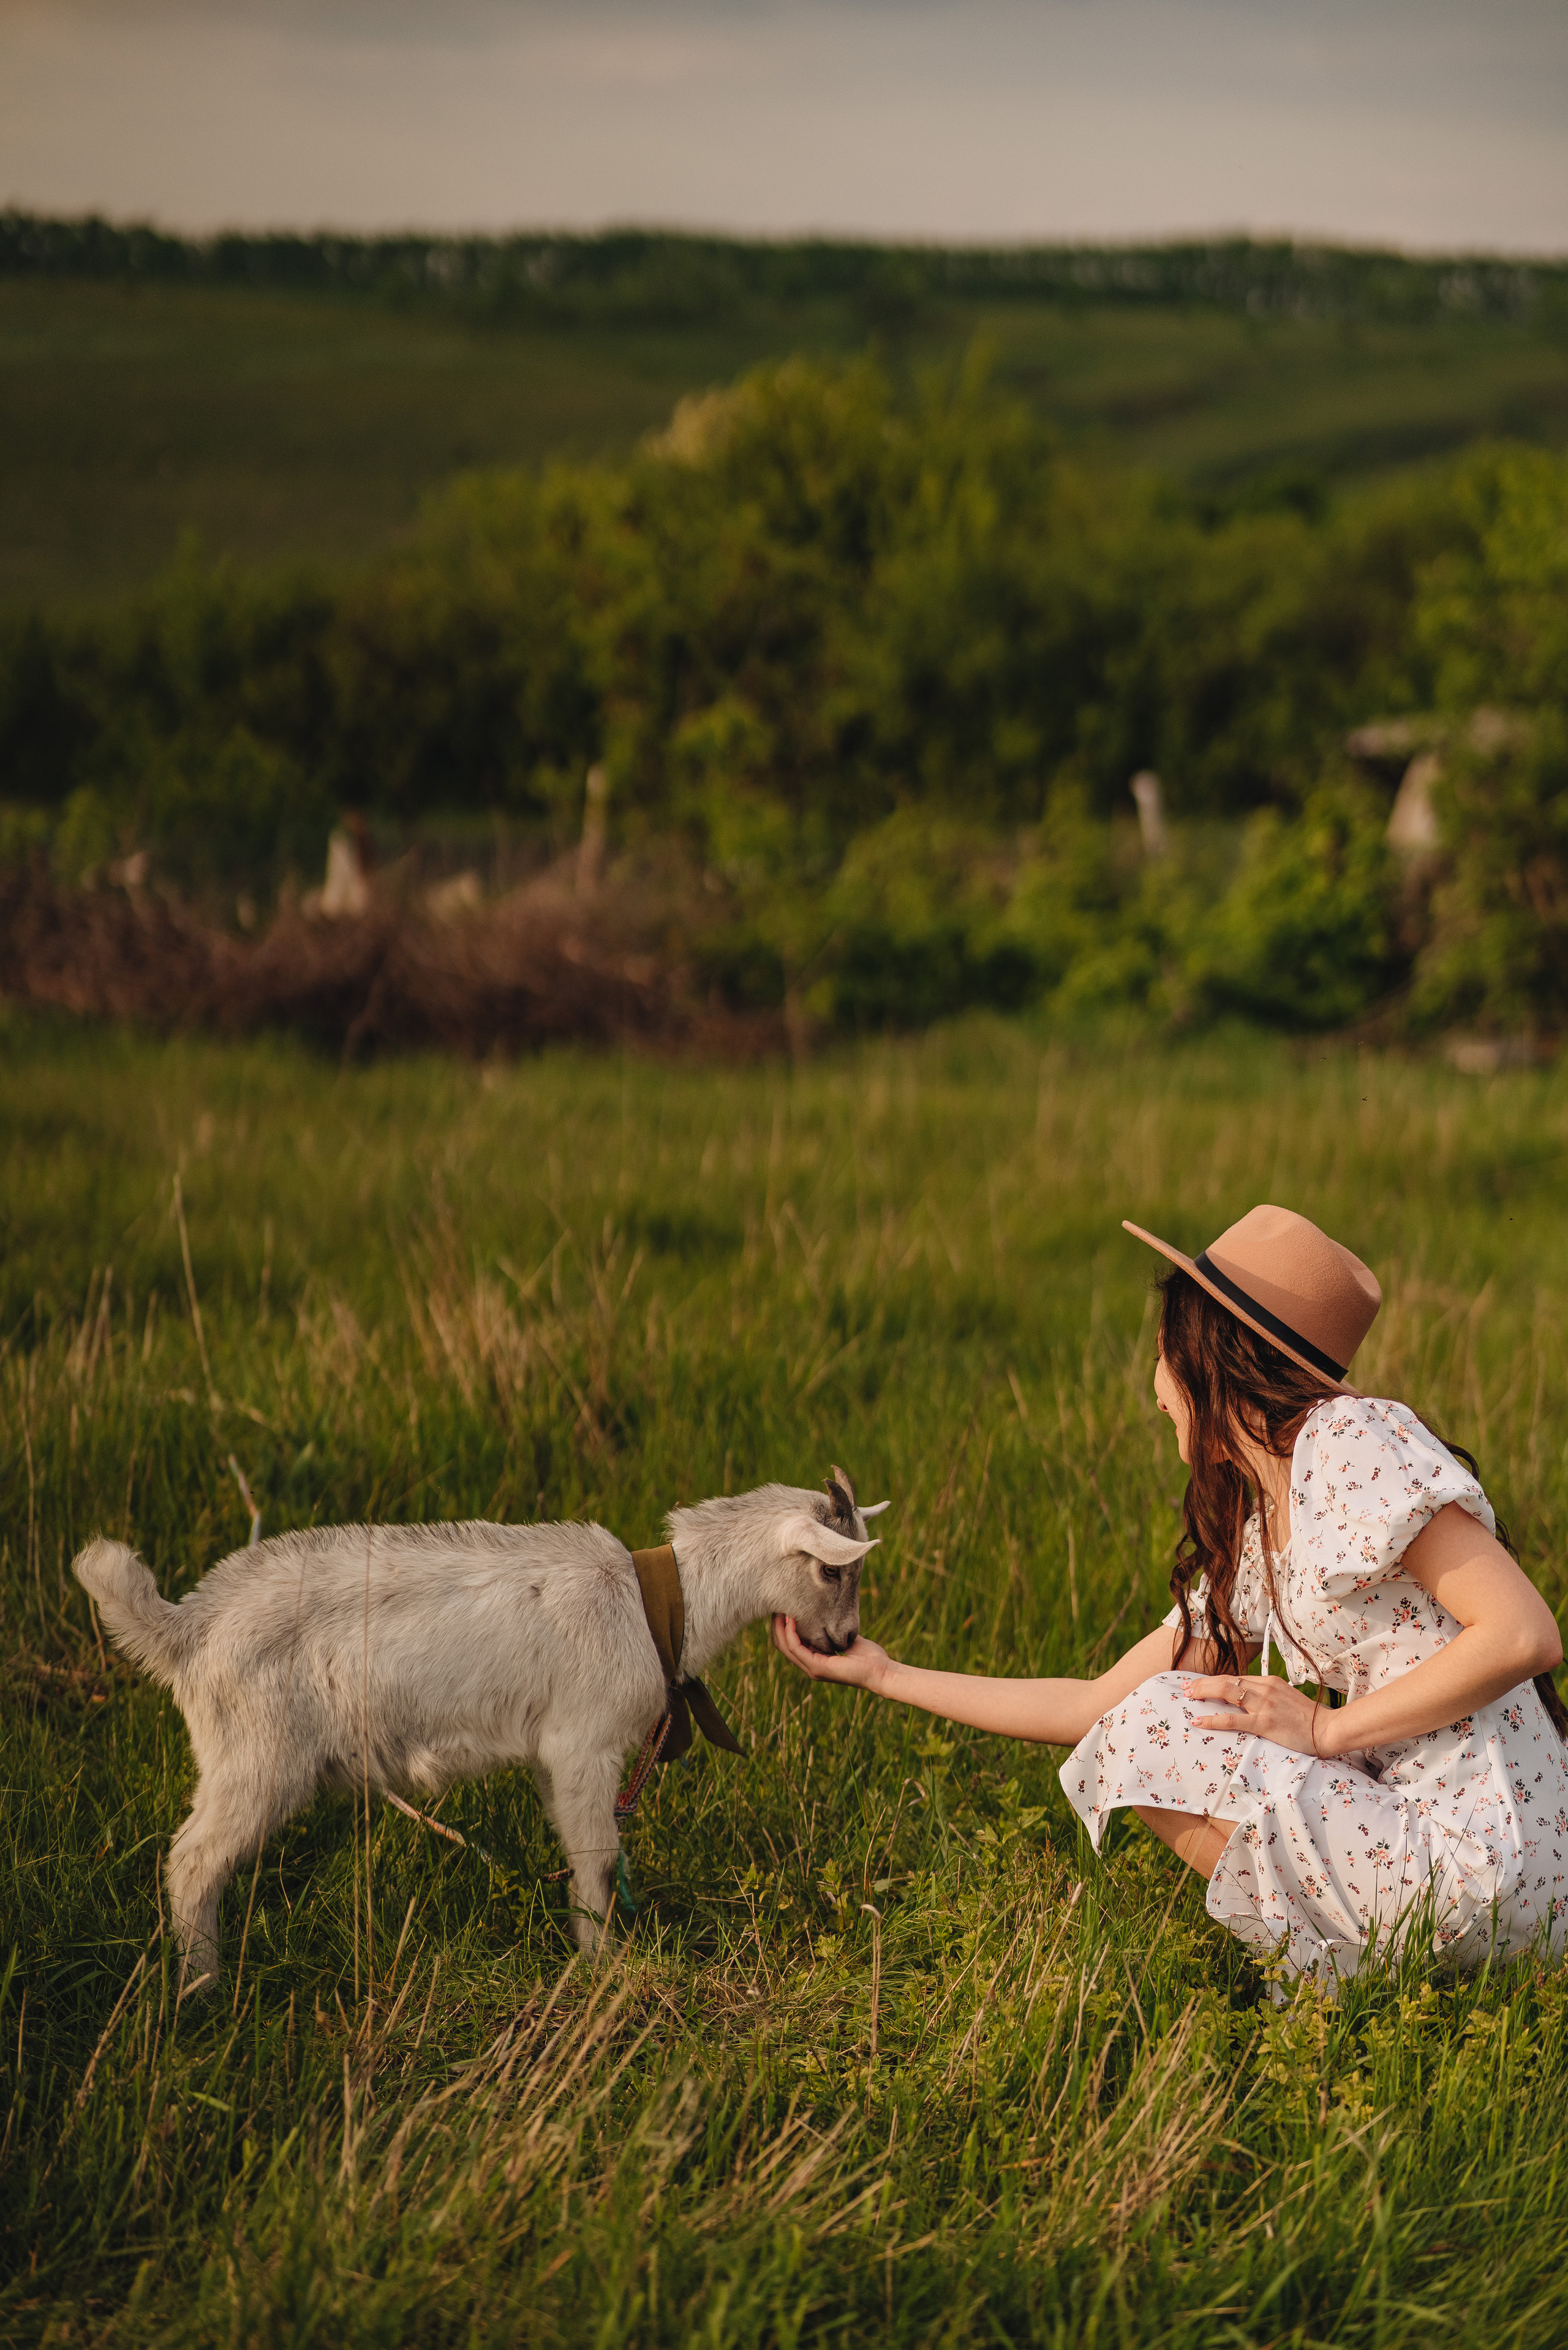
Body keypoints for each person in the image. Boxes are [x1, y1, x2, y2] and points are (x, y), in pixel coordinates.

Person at [774, 1205, 1568, 1985]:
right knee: (1146, 1718)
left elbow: (1522, 1633)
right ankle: (1358, 1976)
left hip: (1492, 1855)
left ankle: (1336, 1974)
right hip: (1462, 1863)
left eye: (1163, 1349)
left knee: (1155, 1723)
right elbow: (1094, 1704)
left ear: (1208, 1353)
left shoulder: (1348, 1438)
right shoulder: (1269, 1531)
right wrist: (885, 1673)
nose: (1155, 1385)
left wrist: (1326, 1729)